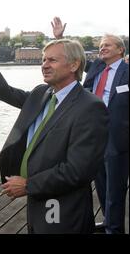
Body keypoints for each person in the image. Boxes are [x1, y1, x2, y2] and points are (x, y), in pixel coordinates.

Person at [0, 20, 109, 233]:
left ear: (74, 65)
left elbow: (78, 171)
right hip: (37, 200)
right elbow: (5, 92)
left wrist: (28, 185)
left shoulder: (90, 107)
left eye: (52, 60)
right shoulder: (42, 93)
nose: (44, 64)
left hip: (62, 207)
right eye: (43, 59)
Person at [53, 17, 129, 234]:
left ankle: (115, 229)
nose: (102, 48)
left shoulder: (127, 72)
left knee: (115, 186)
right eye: (100, 45)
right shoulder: (95, 68)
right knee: (101, 183)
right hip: (92, 133)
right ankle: (108, 221)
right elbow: (76, 56)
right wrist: (60, 38)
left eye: (107, 45)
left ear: (120, 50)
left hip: (117, 136)